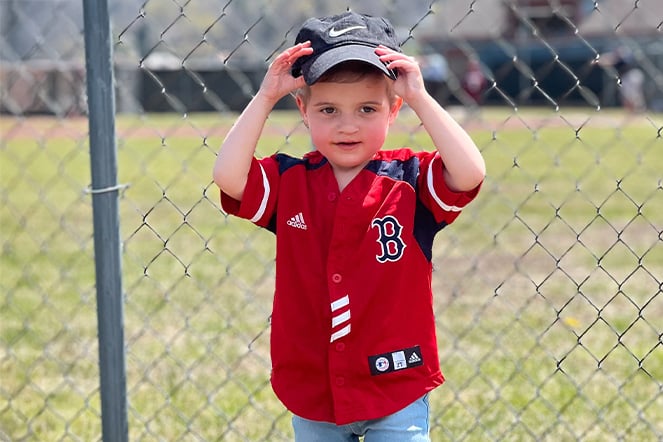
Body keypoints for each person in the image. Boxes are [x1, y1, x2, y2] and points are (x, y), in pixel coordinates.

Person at [213, 11, 485, 441]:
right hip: (314, 390)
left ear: (392, 109)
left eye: (367, 108)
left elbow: (469, 173)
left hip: (394, 384)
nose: (347, 125)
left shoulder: (410, 179)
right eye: (328, 109)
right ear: (303, 109)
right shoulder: (291, 182)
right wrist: (265, 97)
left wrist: (420, 98)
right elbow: (229, 177)